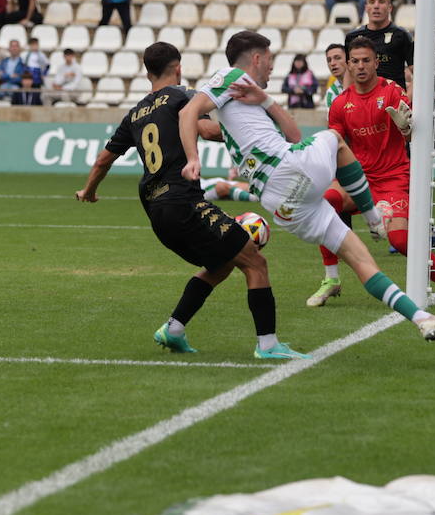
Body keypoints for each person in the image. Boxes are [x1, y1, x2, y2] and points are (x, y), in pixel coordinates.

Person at [179, 30, 435, 342]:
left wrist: (266, 101)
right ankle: (374, 220)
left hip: (282, 205)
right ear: (256, 58)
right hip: (291, 170)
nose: (271, 67)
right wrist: (191, 157)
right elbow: (190, 112)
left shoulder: (247, 100)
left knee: (363, 261)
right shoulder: (232, 76)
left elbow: (293, 136)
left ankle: (424, 319)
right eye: (269, 60)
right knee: (334, 140)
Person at [75, 41, 302, 359]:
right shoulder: (183, 95)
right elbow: (209, 131)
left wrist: (89, 191)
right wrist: (253, 134)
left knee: (221, 265)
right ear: (178, 68)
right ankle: (268, 345)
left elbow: (102, 161)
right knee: (256, 262)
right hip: (184, 202)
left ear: (146, 71)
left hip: (156, 211)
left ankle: (174, 328)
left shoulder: (135, 114)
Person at [307, 35, 435, 311]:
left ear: (376, 63)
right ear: (349, 65)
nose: (360, 66)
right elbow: (334, 145)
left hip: (393, 178)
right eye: (355, 61)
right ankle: (331, 279)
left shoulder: (392, 92)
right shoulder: (340, 104)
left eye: (366, 61)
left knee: (399, 240)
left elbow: (412, 138)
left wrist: (407, 129)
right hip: (359, 179)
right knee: (327, 199)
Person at [345, 0, 414, 89]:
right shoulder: (352, 37)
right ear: (366, 7)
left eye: (381, 2)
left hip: (394, 100)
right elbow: (349, 71)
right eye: (372, 2)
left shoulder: (402, 35)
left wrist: (406, 98)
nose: (376, 6)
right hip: (365, 99)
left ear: (390, 8)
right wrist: (347, 98)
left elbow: (418, 74)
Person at [323, 43, 347, 108]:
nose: (332, 63)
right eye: (329, 60)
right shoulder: (331, 93)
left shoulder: (364, 83)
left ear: (348, 60)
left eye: (338, 58)